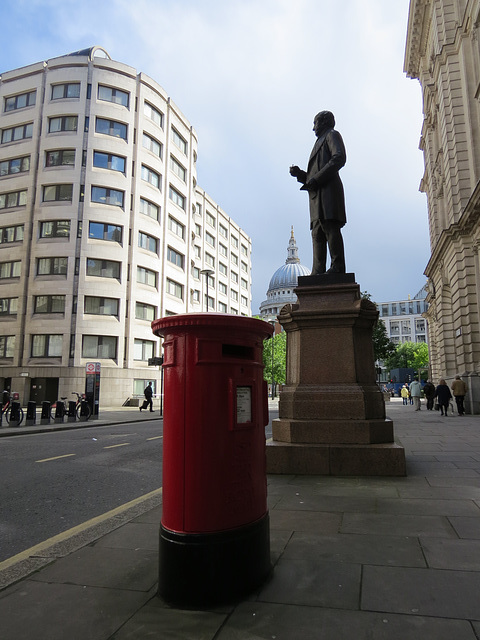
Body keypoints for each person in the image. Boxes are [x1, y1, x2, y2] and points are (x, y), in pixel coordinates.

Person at [290, 110, 347, 274]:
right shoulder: (318, 143)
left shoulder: (332, 135)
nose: (313, 128)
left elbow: (339, 158)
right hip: (316, 197)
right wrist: (300, 174)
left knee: (330, 228)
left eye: (315, 123)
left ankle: (337, 266)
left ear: (323, 122)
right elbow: (312, 176)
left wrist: (317, 179)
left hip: (329, 192)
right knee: (317, 233)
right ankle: (318, 270)